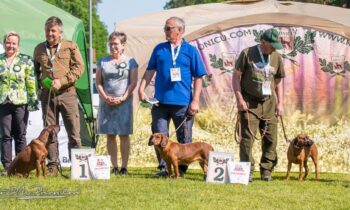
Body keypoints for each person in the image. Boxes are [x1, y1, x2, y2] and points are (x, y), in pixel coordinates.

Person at [138, 16, 207, 177]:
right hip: (160, 103)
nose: (165, 31)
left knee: (184, 137)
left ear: (180, 30)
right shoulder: (159, 49)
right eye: (165, 28)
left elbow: (199, 77)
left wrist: (195, 100)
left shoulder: (191, 51)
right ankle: (164, 169)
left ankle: (180, 170)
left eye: (169, 28)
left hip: (183, 103)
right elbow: (150, 71)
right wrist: (141, 89)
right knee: (159, 136)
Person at [232, 28, 285, 182]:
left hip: (269, 103)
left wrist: (281, 103)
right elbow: (236, 77)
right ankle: (246, 171)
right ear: (263, 42)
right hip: (249, 103)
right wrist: (239, 99)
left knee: (270, 139)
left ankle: (266, 170)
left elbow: (279, 80)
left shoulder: (276, 57)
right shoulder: (247, 53)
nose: (275, 48)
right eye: (272, 45)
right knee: (247, 139)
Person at [33, 16, 84, 176]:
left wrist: (62, 81)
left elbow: (79, 68)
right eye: (48, 30)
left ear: (60, 32)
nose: (50, 33)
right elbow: (35, 71)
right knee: (49, 132)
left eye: (53, 30)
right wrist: (40, 86)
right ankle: (52, 166)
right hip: (48, 96)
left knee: (74, 133)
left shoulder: (70, 46)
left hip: (68, 94)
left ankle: (77, 167)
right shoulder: (39, 48)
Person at [95, 32, 138, 176]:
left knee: (124, 134)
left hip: (124, 103)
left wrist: (123, 97)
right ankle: (114, 166)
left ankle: (124, 167)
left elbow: (133, 82)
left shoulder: (131, 61)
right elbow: (98, 82)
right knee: (110, 135)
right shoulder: (102, 61)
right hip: (106, 103)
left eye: (116, 44)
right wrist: (105, 97)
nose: (113, 46)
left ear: (123, 45)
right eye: (111, 44)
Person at [0, 31, 38, 174]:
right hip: (3, 102)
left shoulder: (26, 60)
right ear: (4, 44)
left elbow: (30, 82)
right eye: (8, 42)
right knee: (5, 135)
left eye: (14, 43)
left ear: (18, 45)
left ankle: (22, 167)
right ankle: (7, 166)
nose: (11, 45)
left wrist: (33, 101)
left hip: (21, 102)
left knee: (20, 135)